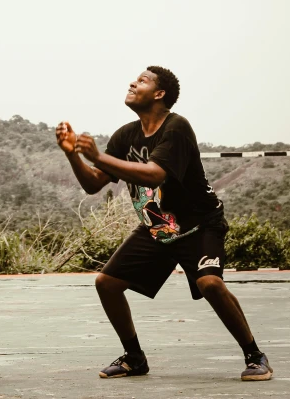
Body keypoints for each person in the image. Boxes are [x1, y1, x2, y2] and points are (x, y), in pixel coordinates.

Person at [56, 66, 272, 382]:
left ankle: (255, 356)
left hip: (200, 223)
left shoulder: (177, 127)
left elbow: (156, 173)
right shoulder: (125, 135)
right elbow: (93, 184)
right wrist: (74, 154)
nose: (132, 82)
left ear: (159, 94)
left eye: (142, 80)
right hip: (160, 225)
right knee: (107, 283)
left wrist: (99, 156)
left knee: (209, 283)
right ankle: (135, 358)